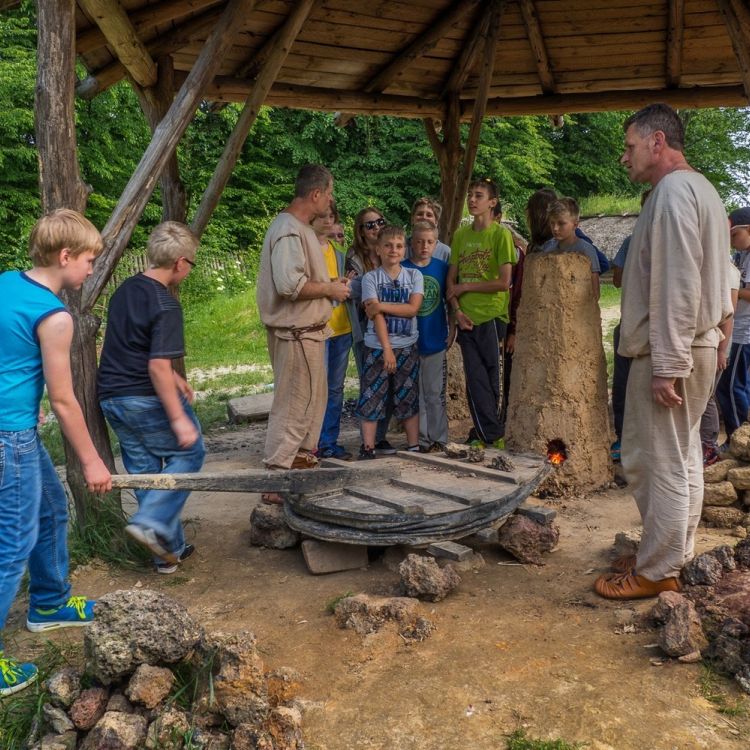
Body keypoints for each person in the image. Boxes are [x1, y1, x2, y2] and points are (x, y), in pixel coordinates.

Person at [594, 103, 732, 600]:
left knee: (655, 461)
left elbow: (677, 285)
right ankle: (672, 552)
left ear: (657, 142)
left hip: (670, 352)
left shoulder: (673, 193)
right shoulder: (704, 191)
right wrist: (718, 338)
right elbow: (724, 281)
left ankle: (657, 569)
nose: (624, 157)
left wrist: (668, 365)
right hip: (697, 344)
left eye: (629, 146)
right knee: (683, 455)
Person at [0, 209, 112, 697]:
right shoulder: (55, 314)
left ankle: (48, 604)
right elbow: (65, 401)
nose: (90, 270)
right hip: (10, 438)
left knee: (47, 511)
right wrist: (91, 460)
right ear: (65, 256)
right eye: (88, 260)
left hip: (15, 427)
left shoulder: (7, 283)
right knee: (12, 544)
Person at [98, 221, 205, 573]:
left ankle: (167, 553)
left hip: (112, 398)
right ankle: (150, 522)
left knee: (144, 469)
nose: (190, 269)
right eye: (192, 263)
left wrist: (175, 377)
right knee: (190, 451)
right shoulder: (166, 303)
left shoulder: (126, 289)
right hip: (143, 397)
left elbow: (132, 345)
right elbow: (156, 366)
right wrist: (177, 418)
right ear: (179, 263)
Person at [256, 165, 350, 497]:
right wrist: (330, 291)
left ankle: (294, 473)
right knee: (294, 406)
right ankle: (275, 483)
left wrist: (331, 285)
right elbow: (289, 284)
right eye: (329, 192)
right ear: (315, 195)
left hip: (308, 333)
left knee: (308, 405)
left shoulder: (299, 229)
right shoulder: (288, 229)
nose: (331, 199)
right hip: (295, 334)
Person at [447, 177, 515, 448]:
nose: (472, 200)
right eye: (470, 195)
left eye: (478, 195)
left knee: (492, 378)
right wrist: (457, 311)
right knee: (474, 379)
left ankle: (492, 433)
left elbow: (503, 281)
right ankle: (488, 434)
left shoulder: (501, 235)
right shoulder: (461, 236)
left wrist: (467, 285)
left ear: (492, 202)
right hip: (466, 317)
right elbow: (451, 281)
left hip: (493, 315)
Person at [356, 225, 423, 459]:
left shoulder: (414, 275)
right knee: (372, 395)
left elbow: (413, 308)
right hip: (377, 347)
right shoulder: (370, 278)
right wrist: (387, 349)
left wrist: (382, 305)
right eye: (388, 245)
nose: (393, 250)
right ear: (378, 249)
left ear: (404, 250)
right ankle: (367, 447)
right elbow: (376, 316)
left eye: (398, 246)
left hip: (407, 345)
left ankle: (413, 446)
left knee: (408, 395)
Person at [346, 207, 395, 454]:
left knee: (390, 381)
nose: (376, 227)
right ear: (361, 231)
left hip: (395, 326)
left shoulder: (393, 248)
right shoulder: (354, 257)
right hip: (366, 330)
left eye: (379, 222)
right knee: (371, 384)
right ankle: (369, 441)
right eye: (369, 225)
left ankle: (381, 436)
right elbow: (351, 290)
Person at [403, 220, 452, 451]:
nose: (424, 246)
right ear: (411, 243)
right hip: (408, 341)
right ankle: (421, 440)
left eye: (430, 242)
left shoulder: (442, 268)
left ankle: (439, 439)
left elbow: (450, 300)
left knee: (435, 393)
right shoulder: (402, 268)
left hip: (435, 339)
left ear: (436, 243)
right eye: (420, 241)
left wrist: (453, 328)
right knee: (415, 394)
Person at [313, 202, 353, 460]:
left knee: (336, 388)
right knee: (318, 388)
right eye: (323, 216)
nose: (328, 221)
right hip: (319, 328)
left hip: (343, 327)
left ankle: (329, 441)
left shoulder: (340, 253)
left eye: (331, 216)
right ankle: (312, 443)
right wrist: (331, 285)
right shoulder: (308, 252)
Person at [715, 207, 750, 450]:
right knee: (736, 386)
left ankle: (738, 440)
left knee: (729, 387)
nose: (730, 240)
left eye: (734, 235)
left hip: (743, 332)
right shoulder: (740, 257)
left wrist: (731, 292)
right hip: (737, 329)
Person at [542, 197, 601, 299]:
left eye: (561, 223)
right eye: (552, 223)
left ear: (575, 225)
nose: (555, 228)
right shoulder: (547, 248)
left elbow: (595, 292)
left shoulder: (585, 250)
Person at [406, 197, 451, 263]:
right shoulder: (401, 247)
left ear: (436, 222)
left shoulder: (445, 252)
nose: (424, 217)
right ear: (412, 219)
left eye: (429, 215)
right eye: (420, 214)